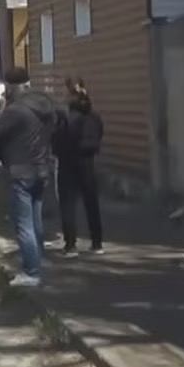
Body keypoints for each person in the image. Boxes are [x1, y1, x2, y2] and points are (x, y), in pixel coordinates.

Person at [0, 66, 67, 287]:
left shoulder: (14, 111)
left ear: (11, 86)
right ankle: (37, 261)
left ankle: (31, 271)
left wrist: (0, 110)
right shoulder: (46, 106)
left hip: (20, 171)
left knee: (23, 224)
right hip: (42, 169)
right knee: (36, 219)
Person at [56, 78, 104, 257]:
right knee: (91, 202)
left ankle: (70, 245)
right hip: (88, 162)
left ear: (70, 95)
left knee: (68, 204)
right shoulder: (94, 116)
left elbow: (57, 139)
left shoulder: (66, 118)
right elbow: (99, 134)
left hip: (68, 163)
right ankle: (97, 243)